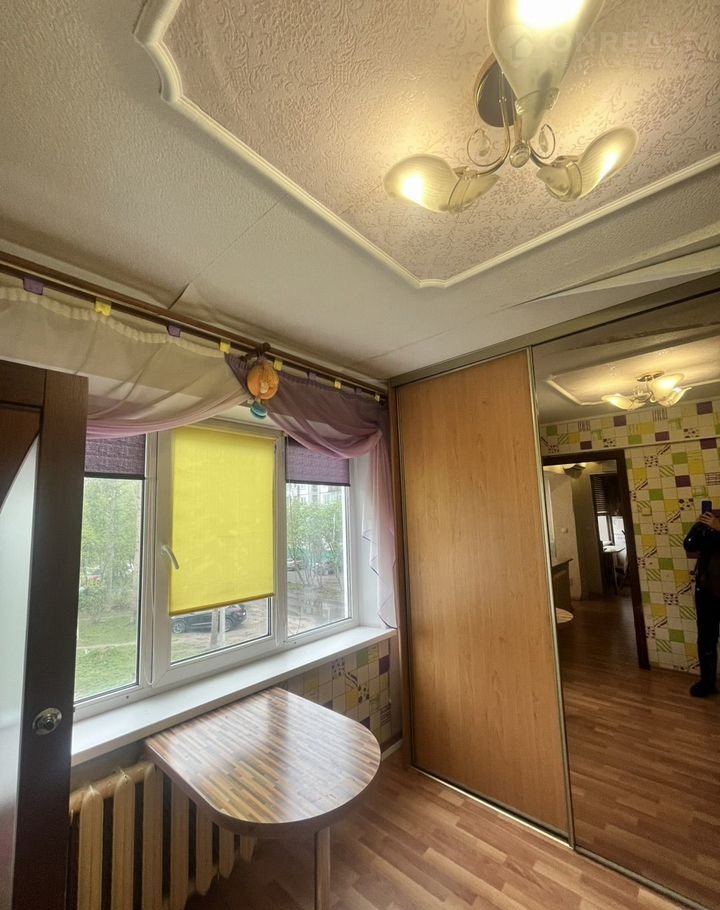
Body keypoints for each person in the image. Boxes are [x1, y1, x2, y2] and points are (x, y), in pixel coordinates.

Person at [683, 508, 720, 697]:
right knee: (706, 638)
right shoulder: (707, 527)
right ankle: (707, 682)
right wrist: (698, 525)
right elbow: (689, 545)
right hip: (706, 591)